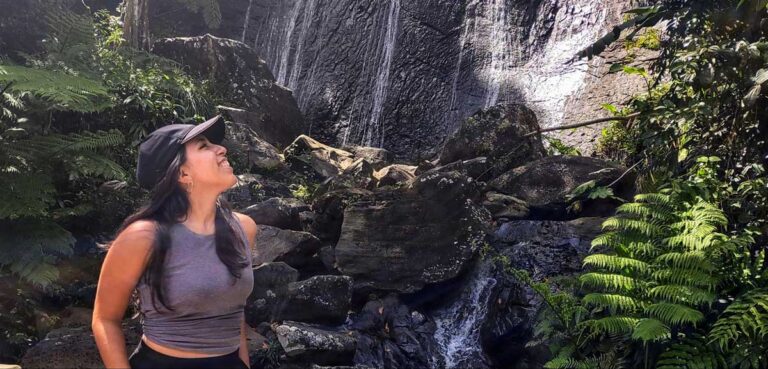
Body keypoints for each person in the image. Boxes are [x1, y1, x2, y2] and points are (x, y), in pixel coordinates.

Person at [92, 115, 257, 369]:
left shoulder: (243, 228)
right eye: (204, 146)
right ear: (182, 173)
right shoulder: (143, 236)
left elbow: (235, 311)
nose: (221, 148)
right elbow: (105, 319)